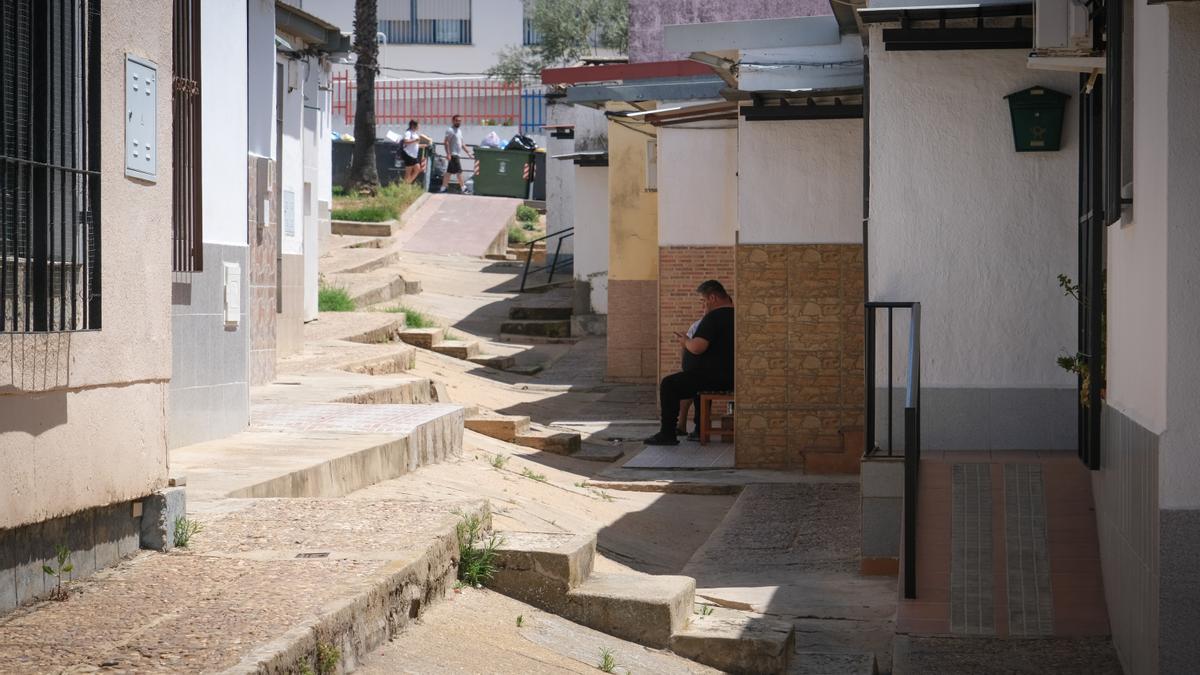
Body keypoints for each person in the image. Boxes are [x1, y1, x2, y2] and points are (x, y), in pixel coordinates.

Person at [645, 280, 735, 446]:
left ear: (712, 297)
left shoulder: (713, 318)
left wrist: (685, 341)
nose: (703, 305)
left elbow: (698, 347)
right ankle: (697, 429)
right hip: (733, 377)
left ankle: (667, 434)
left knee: (669, 384)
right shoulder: (738, 316)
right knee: (690, 383)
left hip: (715, 378)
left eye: (703, 301)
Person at [676, 315, 703, 437]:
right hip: (695, 369)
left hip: (712, 372)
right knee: (683, 387)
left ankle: (699, 428)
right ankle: (680, 426)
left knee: (698, 389)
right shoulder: (696, 325)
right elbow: (686, 348)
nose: (704, 305)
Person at [442, 114, 473, 193]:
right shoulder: (450, 130)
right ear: (453, 121)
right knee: (459, 172)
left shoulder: (459, 131)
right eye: (457, 120)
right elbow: (446, 142)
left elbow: (462, 144)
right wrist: (448, 154)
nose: (458, 122)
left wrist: (468, 152)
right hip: (453, 154)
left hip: (456, 154)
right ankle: (463, 188)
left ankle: (443, 188)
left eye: (460, 121)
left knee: (449, 172)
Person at [400, 120, 426, 185]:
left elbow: (415, 144)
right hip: (408, 154)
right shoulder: (408, 133)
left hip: (414, 155)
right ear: (413, 126)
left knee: (418, 168)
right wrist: (415, 140)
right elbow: (406, 141)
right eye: (418, 125)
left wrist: (422, 145)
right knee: (408, 171)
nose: (419, 127)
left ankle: (407, 183)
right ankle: (405, 186)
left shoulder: (415, 134)